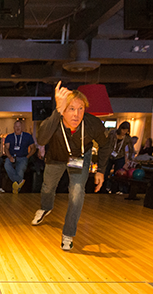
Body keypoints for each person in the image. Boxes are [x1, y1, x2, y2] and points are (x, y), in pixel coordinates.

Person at [33, 82, 110, 251]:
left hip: (80, 157)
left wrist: (101, 171)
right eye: (71, 109)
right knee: (47, 187)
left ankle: (68, 234)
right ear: (63, 110)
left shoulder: (92, 123)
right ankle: (46, 208)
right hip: (56, 157)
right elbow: (42, 140)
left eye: (80, 108)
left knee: (76, 192)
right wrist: (57, 110)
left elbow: (106, 144)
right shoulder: (55, 121)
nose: (76, 114)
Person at [3, 120, 36, 194]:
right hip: (11, 156)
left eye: (19, 126)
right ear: (13, 127)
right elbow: (6, 148)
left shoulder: (27, 136)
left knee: (20, 169)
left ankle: (16, 189)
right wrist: (9, 156)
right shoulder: (9, 136)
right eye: (16, 126)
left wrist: (28, 156)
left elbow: (33, 148)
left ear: (22, 127)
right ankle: (19, 181)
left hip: (23, 157)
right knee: (7, 165)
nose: (17, 128)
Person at [102, 121, 134, 194]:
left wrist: (128, 160)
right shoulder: (112, 134)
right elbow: (107, 143)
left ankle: (115, 189)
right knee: (106, 172)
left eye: (126, 130)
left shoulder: (127, 138)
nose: (124, 132)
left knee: (118, 174)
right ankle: (103, 188)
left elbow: (130, 149)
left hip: (120, 156)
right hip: (110, 155)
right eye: (123, 130)